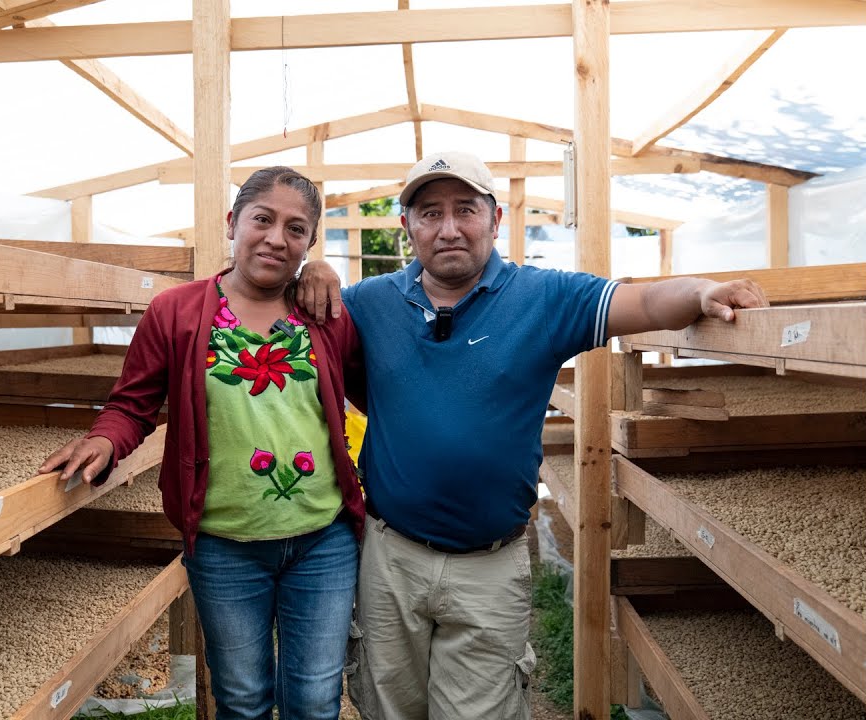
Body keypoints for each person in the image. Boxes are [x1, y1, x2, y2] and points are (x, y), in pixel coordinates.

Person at [293, 150, 769, 720]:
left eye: (466, 209)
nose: (449, 228)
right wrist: (313, 271)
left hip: (489, 567)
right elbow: (276, 307)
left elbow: (641, 300)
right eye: (430, 213)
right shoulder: (370, 303)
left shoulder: (542, 298)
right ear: (407, 226)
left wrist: (700, 291)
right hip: (389, 557)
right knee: (388, 707)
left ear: (495, 219)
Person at [38, 166, 368, 720]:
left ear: (310, 243)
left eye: (296, 229)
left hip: (323, 541)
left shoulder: (325, 315)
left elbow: (373, 392)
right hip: (223, 544)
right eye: (262, 219)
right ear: (232, 222)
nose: (276, 238)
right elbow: (132, 404)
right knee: (241, 698)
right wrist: (105, 441)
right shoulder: (176, 312)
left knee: (315, 698)